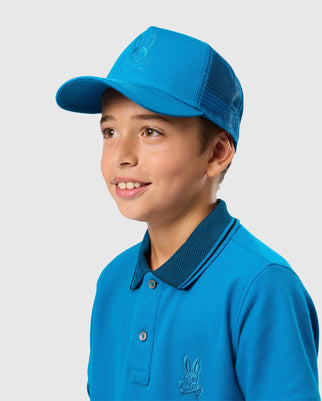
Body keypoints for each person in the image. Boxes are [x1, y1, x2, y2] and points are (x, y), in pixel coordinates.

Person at [56, 26, 320, 401]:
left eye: (150, 131)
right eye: (110, 131)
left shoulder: (260, 288)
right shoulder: (112, 281)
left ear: (216, 153)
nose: (121, 155)